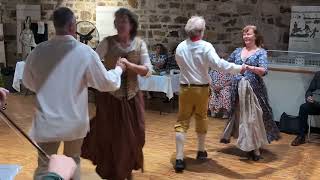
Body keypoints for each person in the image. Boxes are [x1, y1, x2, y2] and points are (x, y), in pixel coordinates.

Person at [22, 7, 125, 180]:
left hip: (47, 121)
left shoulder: (38, 51)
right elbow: (107, 83)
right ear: (72, 25)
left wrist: (46, 91)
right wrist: (119, 70)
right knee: (71, 162)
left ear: (55, 26)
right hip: (73, 122)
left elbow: (28, 82)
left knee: (45, 165)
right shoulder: (85, 52)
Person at [81, 8, 152, 180]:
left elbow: (148, 70)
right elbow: (92, 63)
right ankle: (117, 172)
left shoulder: (139, 44)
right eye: (117, 21)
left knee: (136, 136)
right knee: (112, 137)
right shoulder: (107, 42)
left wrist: (129, 65)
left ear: (131, 24)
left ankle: (126, 169)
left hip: (133, 98)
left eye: (124, 21)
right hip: (110, 99)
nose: (120, 24)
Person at [173, 16, 252, 173]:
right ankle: (201, 151)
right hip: (201, 89)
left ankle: (179, 158)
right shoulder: (206, 46)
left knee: (182, 122)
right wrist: (239, 68)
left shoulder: (180, 47)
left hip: (185, 88)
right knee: (201, 117)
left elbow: (180, 65)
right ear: (201, 31)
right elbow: (219, 65)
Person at [220, 25, 280, 161]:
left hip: (253, 90)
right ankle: (249, 146)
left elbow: (264, 71)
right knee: (242, 118)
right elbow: (226, 66)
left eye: (249, 34)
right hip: (237, 90)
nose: (246, 36)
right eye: (244, 35)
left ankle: (255, 149)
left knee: (252, 118)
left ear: (255, 36)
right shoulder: (237, 52)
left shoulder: (261, 52)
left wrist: (249, 67)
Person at [291, 71, 320, 146]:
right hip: (316, 104)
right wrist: (308, 97)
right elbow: (309, 90)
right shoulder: (318, 74)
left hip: (317, 103)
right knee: (303, 107)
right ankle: (301, 136)